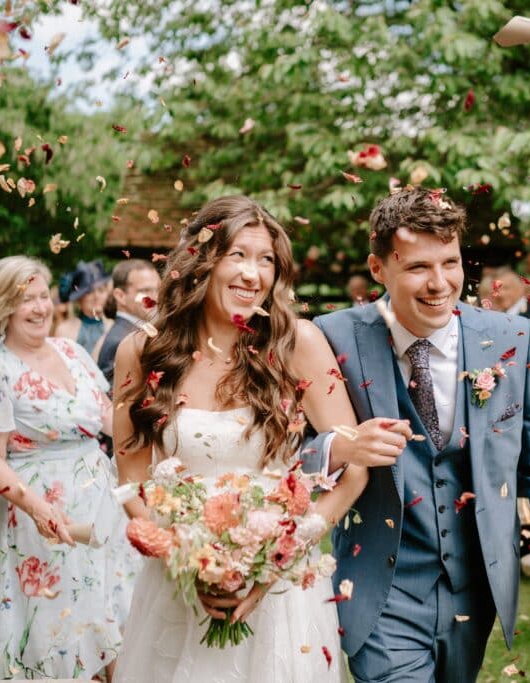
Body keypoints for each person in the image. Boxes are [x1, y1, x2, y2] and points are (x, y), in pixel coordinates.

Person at [314, 187, 530, 682]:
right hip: (382, 588)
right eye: (419, 267)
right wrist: (343, 447)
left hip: (474, 589)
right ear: (378, 269)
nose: (440, 283)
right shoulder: (332, 337)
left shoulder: (511, 338)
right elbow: (290, 447)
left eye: (451, 263)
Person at [113, 196, 376, 682]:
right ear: (201, 260)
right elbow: (130, 477)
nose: (253, 274)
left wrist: (275, 561)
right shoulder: (142, 350)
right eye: (238, 255)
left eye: (267, 260)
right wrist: (186, 559)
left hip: (281, 590)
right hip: (178, 585)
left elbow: (354, 469)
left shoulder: (297, 343)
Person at [0, 256, 138, 680]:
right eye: (26, 300)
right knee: (61, 625)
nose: (39, 308)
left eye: (43, 296)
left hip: (102, 501)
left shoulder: (72, 351)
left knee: (116, 610)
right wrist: (39, 509)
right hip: (40, 511)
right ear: (2, 306)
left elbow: (107, 417)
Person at [97, 259, 159, 386]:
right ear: (120, 296)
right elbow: (117, 395)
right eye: (146, 290)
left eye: (158, 289)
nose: (155, 297)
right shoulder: (120, 341)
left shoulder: (136, 331)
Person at [55, 260, 113, 358]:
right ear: (79, 297)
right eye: (89, 292)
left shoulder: (114, 327)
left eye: (101, 290)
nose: (96, 296)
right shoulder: (64, 330)